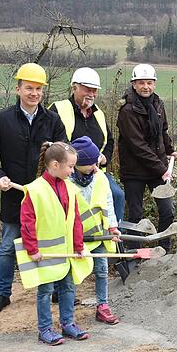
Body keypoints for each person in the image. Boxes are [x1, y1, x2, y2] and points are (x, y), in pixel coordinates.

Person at [0, 62, 67, 316]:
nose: (34, 93)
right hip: (15, 195)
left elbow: (64, 153)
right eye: (29, 88)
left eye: (38, 89)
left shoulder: (52, 121)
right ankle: (3, 294)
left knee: (51, 244)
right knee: (8, 246)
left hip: (47, 198)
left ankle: (57, 289)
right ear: (18, 89)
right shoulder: (1, 120)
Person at [14, 142, 93, 345]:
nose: (72, 170)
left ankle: (68, 324)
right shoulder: (35, 190)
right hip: (45, 254)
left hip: (66, 252)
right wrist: (32, 249)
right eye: (70, 166)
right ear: (55, 164)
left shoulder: (70, 188)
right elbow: (27, 222)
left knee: (68, 288)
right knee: (45, 291)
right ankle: (45, 329)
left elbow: (75, 219)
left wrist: (78, 246)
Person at [49, 67, 125, 223]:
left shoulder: (98, 114)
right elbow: (51, 143)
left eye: (94, 90)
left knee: (117, 196)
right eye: (87, 89)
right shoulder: (58, 109)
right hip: (68, 173)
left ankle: (115, 237)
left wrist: (105, 158)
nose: (92, 94)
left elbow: (109, 141)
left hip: (96, 173)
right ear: (75, 87)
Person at [117, 64, 177, 251]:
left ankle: (164, 248)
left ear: (154, 84)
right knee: (136, 215)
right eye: (141, 83)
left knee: (167, 210)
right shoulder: (127, 111)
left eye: (149, 83)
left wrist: (170, 150)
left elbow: (163, 130)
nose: (146, 87)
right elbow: (138, 146)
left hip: (156, 169)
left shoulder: (157, 104)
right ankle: (133, 253)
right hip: (134, 171)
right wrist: (162, 169)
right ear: (134, 85)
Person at [68, 136, 122, 324]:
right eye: (90, 163)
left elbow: (108, 202)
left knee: (101, 270)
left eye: (96, 161)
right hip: (75, 238)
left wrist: (113, 227)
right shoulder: (67, 181)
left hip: (98, 235)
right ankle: (67, 311)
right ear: (76, 164)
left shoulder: (100, 178)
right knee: (74, 273)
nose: (95, 166)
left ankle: (103, 306)